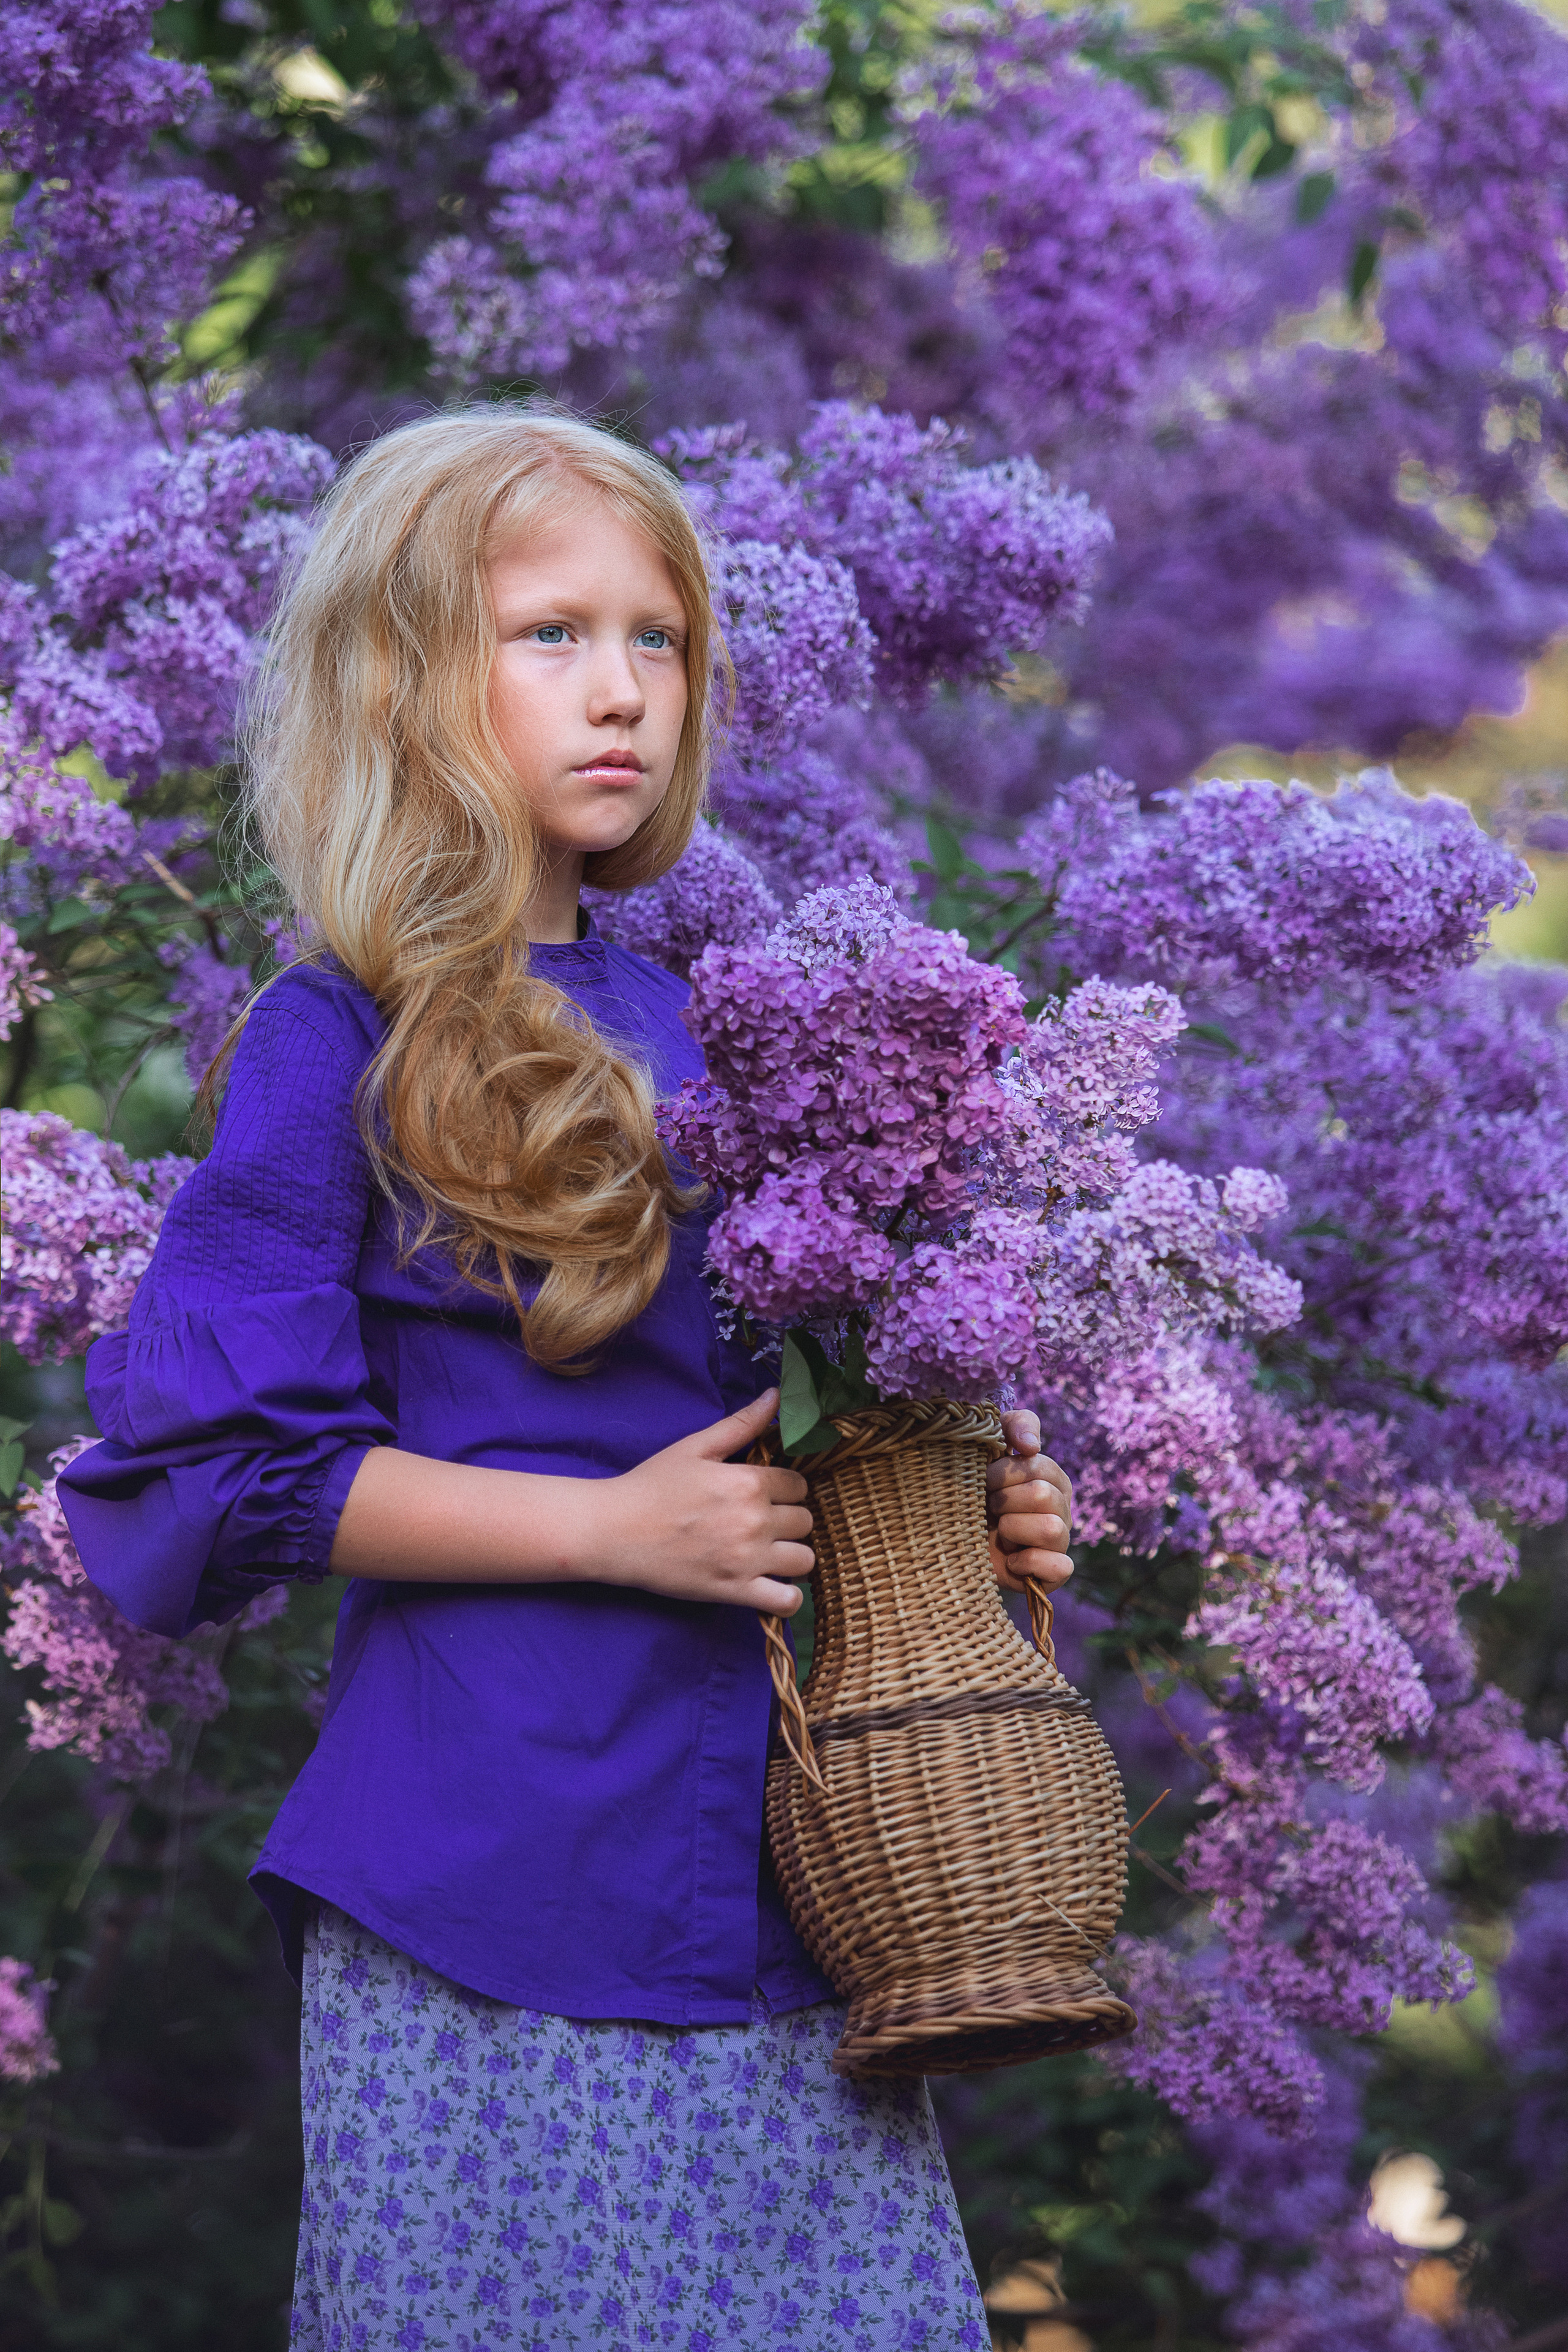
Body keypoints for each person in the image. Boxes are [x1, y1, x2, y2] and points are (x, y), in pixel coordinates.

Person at [59, 405, 1077, 2352]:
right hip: (487, 1891)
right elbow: (211, 1478)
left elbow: (794, 1435)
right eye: (550, 634)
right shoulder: (336, 1033)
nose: (622, 691)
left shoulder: (729, 1026)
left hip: (799, 1905)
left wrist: (970, 1506)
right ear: (398, 680)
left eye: (657, 639)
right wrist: (609, 1532)